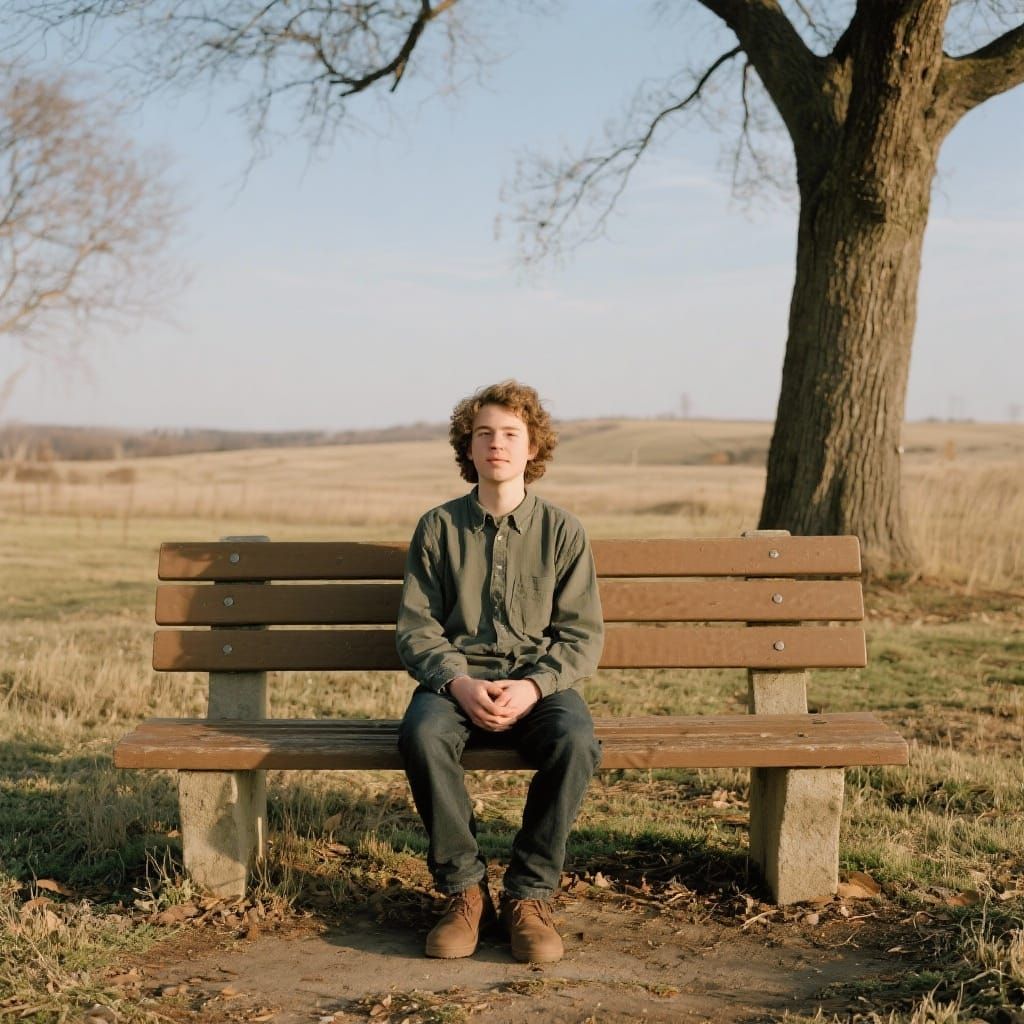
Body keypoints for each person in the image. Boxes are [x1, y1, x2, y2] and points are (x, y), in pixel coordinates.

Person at [396, 380, 604, 964]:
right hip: (455, 683)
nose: (497, 444)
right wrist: (458, 682)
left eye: (511, 433)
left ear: (533, 448)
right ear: (468, 448)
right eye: (484, 433)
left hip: (539, 683)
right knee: (423, 734)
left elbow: (581, 636)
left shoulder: (563, 532)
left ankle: (528, 896)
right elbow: (417, 628)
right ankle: (464, 892)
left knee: (577, 741)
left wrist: (535, 684)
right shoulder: (438, 529)